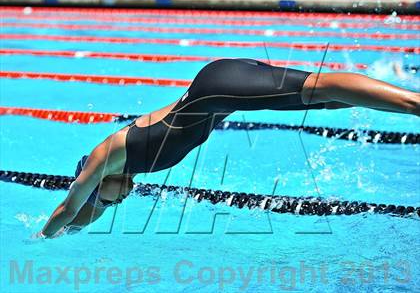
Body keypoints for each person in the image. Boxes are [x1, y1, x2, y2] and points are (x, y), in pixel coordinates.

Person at [36, 58, 420, 238]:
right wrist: (81, 223)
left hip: (218, 87)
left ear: (95, 181)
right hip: (220, 90)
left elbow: (69, 209)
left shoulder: (108, 155)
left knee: (324, 88)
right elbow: (84, 218)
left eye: (107, 200)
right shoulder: (132, 165)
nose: (120, 200)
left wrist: (38, 241)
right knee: (329, 100)